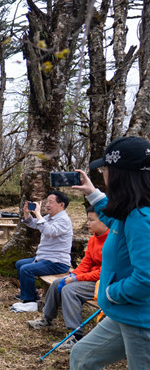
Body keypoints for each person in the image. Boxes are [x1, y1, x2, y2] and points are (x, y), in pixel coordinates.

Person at [69, 136, 150, 370]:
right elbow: (113, 217)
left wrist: (112, 293)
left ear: (120, 174)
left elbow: (146, 279)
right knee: (83, 357)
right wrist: (92, 193)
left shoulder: (141, 218)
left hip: (140, 319)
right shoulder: (131, 211)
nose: (103, 174)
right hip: (124, 314)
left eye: (105, 168)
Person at [27, 206, 109, 350]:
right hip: (91, 278)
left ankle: (76, 336)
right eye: (87, 220)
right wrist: (73, 275)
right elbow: (86, 263)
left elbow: (105, 272)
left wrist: (76, 279)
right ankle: (47, 319)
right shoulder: (92, 240)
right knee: (58, 283)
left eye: (91, 220)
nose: (88, 223)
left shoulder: (111, 241)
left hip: (104, 283)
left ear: (104, 222)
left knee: (70, 290)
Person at [13, 190, 73, 311]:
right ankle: (31, 294)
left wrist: (39, 214)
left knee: (26, 269)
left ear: (61, 205)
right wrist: (27, 213)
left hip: (57, 262)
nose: (47, 205)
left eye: (51, 202)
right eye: (46, 202)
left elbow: (49, 231)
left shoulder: (64, 220)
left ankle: (30, 300)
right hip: (44, 258)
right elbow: (33, 223)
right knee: (20, 264)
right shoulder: (50, 217)